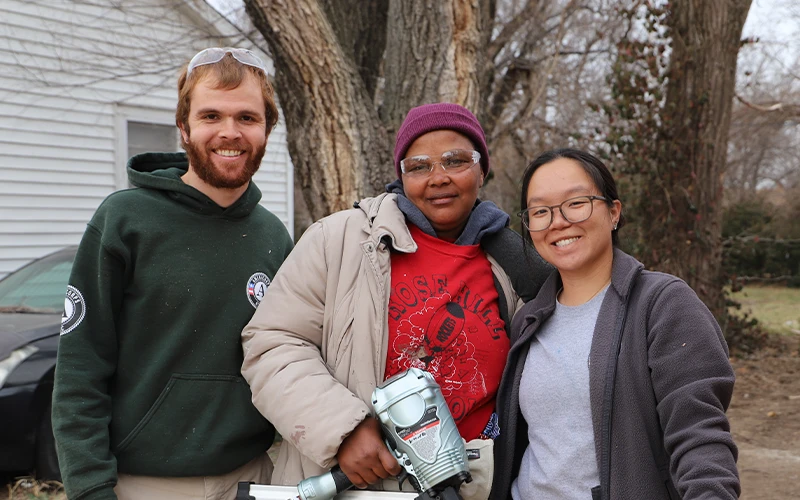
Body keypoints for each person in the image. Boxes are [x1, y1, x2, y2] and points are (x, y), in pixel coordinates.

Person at [241, 103, 551, 499]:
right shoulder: (339, 242)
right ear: (401, 176)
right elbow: (272, 342)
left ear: (481, 169)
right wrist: (344, 428)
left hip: (475, 484)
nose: (438, 178)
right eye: (419, 166)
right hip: (358, 481)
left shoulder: (518, 265)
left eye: (456, 161)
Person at [52, 47, 294, 500]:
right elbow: (81, 368)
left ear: (266, 129)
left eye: (247, 117)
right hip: (143, 483)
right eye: (210, 116)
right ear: (183, 128)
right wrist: (89, 487)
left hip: (255, 477)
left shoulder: (273, 236)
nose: (230, 132)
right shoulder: (125, 220)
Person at [492, 148, 740, 500]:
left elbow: (699, 436)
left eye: (575, 203)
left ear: (613, 212)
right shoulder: (528, 320)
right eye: (540, 211)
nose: (558, 221)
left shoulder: (663, 304)